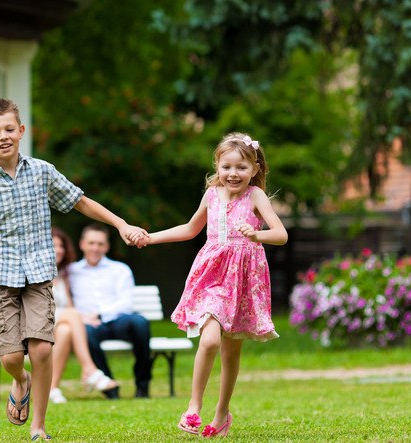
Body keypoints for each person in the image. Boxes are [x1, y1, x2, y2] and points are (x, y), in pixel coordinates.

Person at [0, 97, 147, 440]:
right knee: (13, 356)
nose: (4, 136)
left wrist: (120, 224)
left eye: (10, 129)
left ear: (21, 131)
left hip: (38, 274)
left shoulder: (42, 171)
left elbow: (80, 201)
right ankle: (20, 379)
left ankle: (39, 426)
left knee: (43, 349)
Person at [133, 132, 287, 438]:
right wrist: (152, 237)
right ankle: (193, 405)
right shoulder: (212, 195)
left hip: (244, 279)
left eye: (242, 167)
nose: (233, 174)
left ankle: (221, 413)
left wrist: (257, 235)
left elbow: (280, 234)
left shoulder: (255, 196)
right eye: (227, 166)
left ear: (255, 169)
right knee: (211, 339)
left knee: (231, 354)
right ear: (217, 166)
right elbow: (191, 229)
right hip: (212, 276)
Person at [68, 223, 152, 399]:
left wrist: (100, 314)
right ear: (82, 244)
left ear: (106, 246)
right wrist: (83, 318)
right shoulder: (71, 272)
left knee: (140, 323)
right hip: (89, 325)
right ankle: (110, 388)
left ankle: (142, 386)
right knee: (86, 333)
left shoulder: (120, 269)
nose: (95, 248)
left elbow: (126, 304)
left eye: (100, 244)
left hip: (118, 320)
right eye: (91, 243)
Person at [49, 227, 119, 404]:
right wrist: (79, 317)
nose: (58, 250)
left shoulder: (64, 274)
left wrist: (80, 318)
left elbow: (70, 307)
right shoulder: (38, 275)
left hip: (60, 324)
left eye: (61, 246)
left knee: (66, 331)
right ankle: (90, 369)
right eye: (53, 245)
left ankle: (52, 388)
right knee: (71, 316)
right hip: (41, 322)